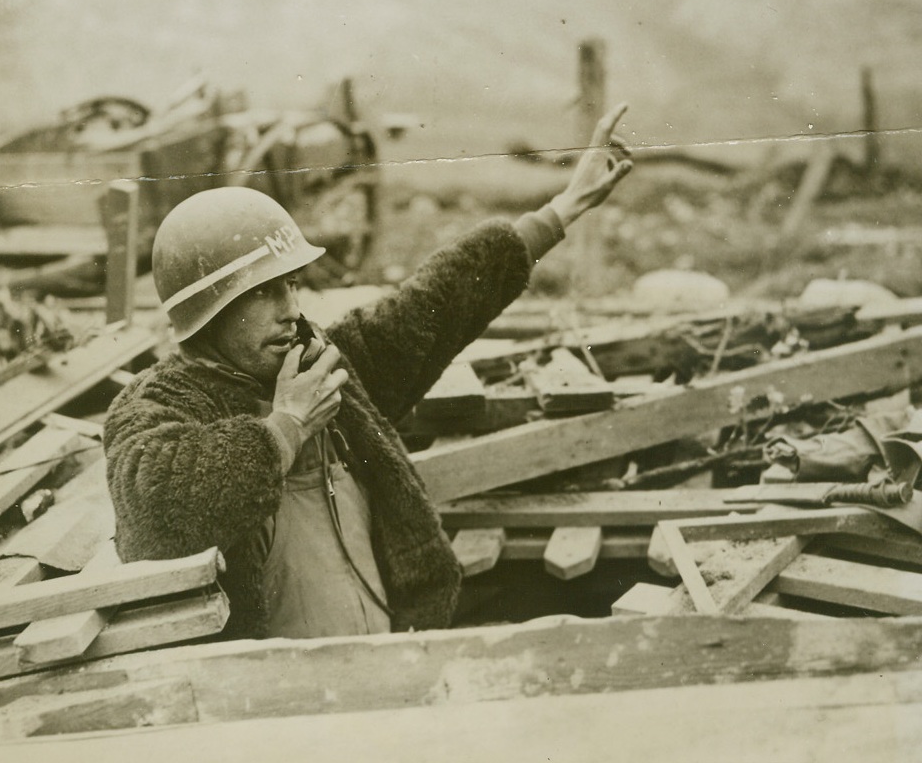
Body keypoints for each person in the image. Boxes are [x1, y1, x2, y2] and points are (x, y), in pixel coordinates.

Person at [104, 105, 634, 640]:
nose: (289, 309)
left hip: (386, 670)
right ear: (207, 311)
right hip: (269, 707)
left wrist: (561, 210)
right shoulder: (158, 405)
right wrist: (285, 428)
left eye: (291, 284)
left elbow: (435, 304)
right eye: (262, 292)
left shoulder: (323, 366)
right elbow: (157, 513)